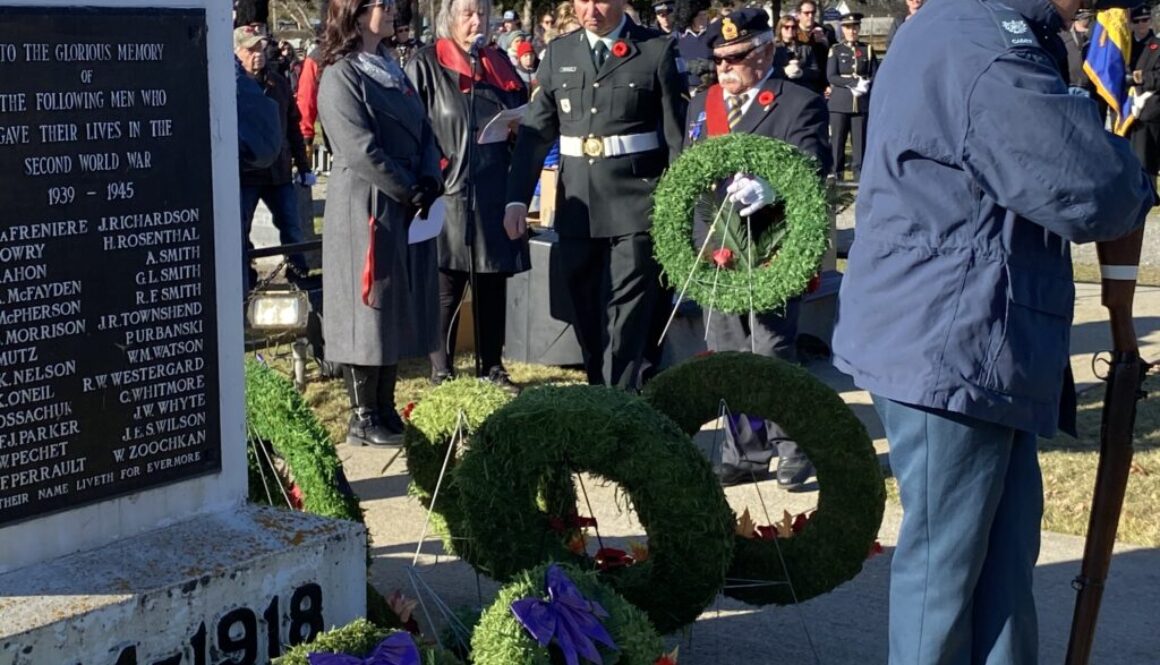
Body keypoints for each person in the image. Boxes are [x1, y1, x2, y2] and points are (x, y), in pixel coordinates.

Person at [831, 0, 1155, 660]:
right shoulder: (976, 35)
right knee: (944, 586)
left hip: (971, 337)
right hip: (953, 339)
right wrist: (1125, 167)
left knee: (999, 573)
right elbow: (1088, 182)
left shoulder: (982, 28)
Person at [503, 0, 688, 391]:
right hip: (580, 206)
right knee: (586, 308)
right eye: (582, 0)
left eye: (601, 0)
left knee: (629, 311)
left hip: (638, 203)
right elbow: (537, 132)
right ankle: (600, 389)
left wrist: (678, 205)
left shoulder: (655, 49)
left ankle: (620, 399)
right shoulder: (559, 53)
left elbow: (676, 137)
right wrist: (517, 198)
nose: (591, 10)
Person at [684, 8, 831, 487]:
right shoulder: (702, 105)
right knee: (728, 351)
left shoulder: (795, 102)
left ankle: (793, 446)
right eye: (719, 61)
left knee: (770, 348)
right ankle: (744, 451)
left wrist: (771, 185)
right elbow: (686, 171)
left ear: (765, 51)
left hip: (772, 245)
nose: (725, 69)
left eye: (737, 57)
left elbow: (811, 164)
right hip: (717, 248)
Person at [317, 0, 444, 446]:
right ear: (355, 12)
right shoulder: (341, 75)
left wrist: (430, 177)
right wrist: (408, 187)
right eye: (384, 4)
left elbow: (426, 131)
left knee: (390, 306)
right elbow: (359, 149)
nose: (394, 11)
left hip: (404, 200)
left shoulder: (390, 67)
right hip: (366, 203)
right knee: (366, 309)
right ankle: (362, 415)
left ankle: (386, 408)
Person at [406, 0, 531, 391]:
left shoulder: (498, 63)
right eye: (467, 13)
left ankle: (492, 367)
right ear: (448, 18)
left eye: (482, 13)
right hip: (448, 190)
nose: (477, 21)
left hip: (495, 189)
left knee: (492, 282)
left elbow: (523, 115)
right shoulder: (425, 64)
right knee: (445, 285)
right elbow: (411, 128)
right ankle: (441, 371)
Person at [235, 25, 314, 288]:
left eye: (261, 48)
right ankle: (245, 279)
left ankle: (299, 276)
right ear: (237, 52)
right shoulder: (231, 87)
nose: (258, 53)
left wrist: (304, 166)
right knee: (241, 230)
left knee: (292, 227)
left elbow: (292, 124)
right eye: (250, 49)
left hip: (278, 171)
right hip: (246, 172)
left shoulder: (278, 83)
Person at [827, 12, 877, 181]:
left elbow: (875, 74)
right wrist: (852, 83)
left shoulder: (867, 50)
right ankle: (836, 174)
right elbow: (831, 76)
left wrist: (865, 84)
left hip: (861, 103)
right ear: (843, 30)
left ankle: (860, 176)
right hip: (840, 102)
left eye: (855, 27)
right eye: (848, 28)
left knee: (860, 142)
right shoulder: (836, 50)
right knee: (838, 141)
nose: (852, 31)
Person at [1129, 5, 1160, 174]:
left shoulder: (1157, 46)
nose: (1142, 24)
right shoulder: (1125, 46)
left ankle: (1151, 196)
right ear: (1131, 23)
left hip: (1148, 109)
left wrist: (1141, 78)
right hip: (1126, 110)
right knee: (1127, 158)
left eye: (1145, 20)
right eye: (1137, 21)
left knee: (1146, 161)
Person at [775, 14, 822, 94]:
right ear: (780, 29)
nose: (790, 30)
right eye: (786, 27)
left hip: (803, 89)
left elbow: (816, 72)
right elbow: (768, 71)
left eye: (793, 27)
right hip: (782, 90)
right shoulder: (773, 49)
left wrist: (801, 73)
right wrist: (784, 71)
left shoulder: (806, 48)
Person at [795, 0, 836, 76]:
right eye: (806, 13)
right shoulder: (791, 32)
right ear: (798, 15)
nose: (810, 16)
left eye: (813, 12)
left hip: (823, 77)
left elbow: (838, 54)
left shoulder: (826, 31)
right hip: (800, 77)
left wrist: (826, 42)